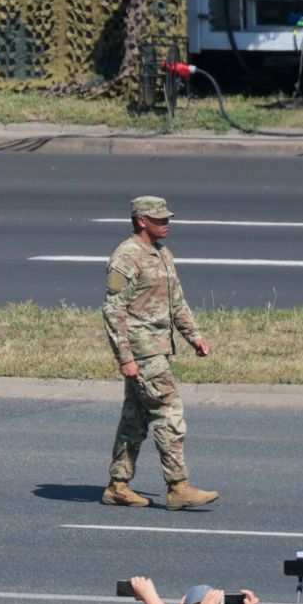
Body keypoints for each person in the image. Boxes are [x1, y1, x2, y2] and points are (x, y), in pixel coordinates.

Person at [101, 196, 219, 511]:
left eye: (167, 218)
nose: (167, 223)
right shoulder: (127, 257)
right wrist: (125, 358)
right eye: (160, 219)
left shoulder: (162, 253)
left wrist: (194, 336)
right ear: (142, 221)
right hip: (142, 350)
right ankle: (179, 486)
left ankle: (118, 485)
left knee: (135, 419)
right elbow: (113, 311)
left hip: (159, 348)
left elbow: (176, 301)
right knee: (169, 412)